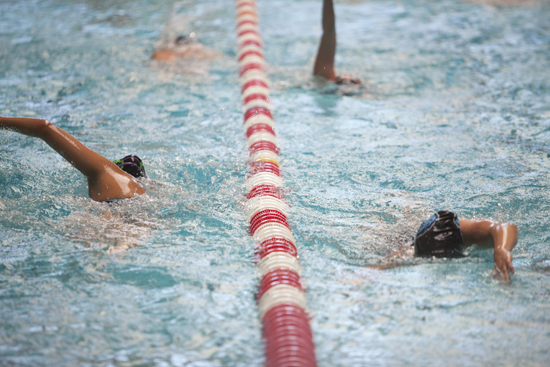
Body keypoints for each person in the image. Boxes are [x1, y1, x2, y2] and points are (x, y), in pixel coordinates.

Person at [0, 116, 147, 202]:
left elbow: (43, 127)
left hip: (106, 216)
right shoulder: (144, 194)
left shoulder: (107, 173)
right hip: (138, 222)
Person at [383, 210, 518, 283]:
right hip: (405, 239)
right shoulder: (405, 255)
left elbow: (505, 226)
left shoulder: (460, 232)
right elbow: (372, 270)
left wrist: (502, 249)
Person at [313, 0, 362, 86]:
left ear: (334, 80)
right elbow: (329, 33)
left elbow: (329, 33)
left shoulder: (323, 81)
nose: (347, 76)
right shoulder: (324, 84)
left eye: (342, 76)